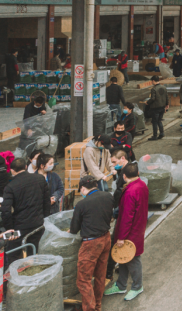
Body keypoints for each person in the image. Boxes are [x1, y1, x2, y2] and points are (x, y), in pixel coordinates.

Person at [104, 162, 149, 301]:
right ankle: (121, 284)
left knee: (133, 258)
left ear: (124, 176)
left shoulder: (130, 192)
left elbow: (127, 216)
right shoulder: (142, 185)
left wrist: (121, 237)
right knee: (123, 257)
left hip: (130, 232)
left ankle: (137, 286)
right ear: (138, 174)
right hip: (138, 227)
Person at [70, 175, 114, 311]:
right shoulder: (108, 196)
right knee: (100, 275)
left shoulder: (81, 204)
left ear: (83, 188)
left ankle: (90, 308)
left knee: (83, 280)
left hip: (91, 244)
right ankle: (98, 305)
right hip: (106, 238)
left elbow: (74, 229)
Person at [1, 158, 50, 270]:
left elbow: (6, 211)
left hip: (20, 227)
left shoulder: (10, 187)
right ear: (25, 167)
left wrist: (10, 229)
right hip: (38, 223)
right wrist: (45, 219)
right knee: (36, 251)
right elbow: (46, 201)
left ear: (12, 171)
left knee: (14, 255)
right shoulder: (40, 179)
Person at [147, 75, 168, 141]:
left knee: (155, 122)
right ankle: (161, 133)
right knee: (159, 120)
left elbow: (153, 98)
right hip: (162, 107)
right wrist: (167, 104)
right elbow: (166, 96)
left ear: (153, 81)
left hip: (155, 107)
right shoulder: (164, 87)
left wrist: (148, 102)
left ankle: (155, 135)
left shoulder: (154, 89)